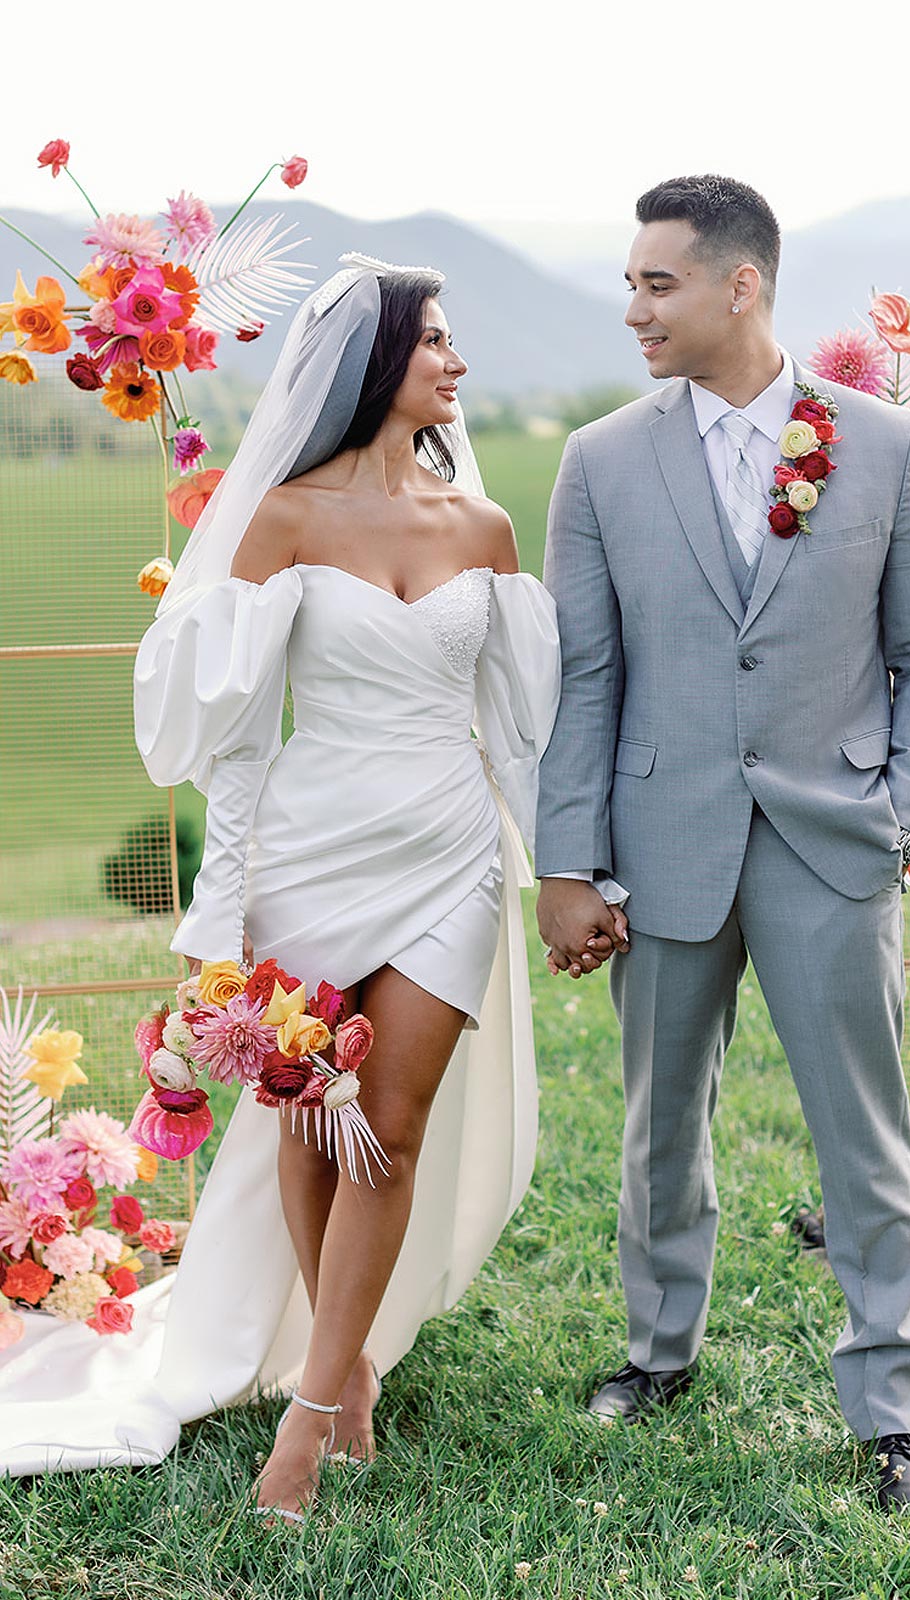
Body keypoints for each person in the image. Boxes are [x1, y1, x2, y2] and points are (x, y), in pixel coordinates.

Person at [0, 259, 562, 1518]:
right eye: (436, 341)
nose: (457, 363)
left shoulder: (484, 530)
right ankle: (342, 1365)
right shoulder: (287, 520)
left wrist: (557, 873)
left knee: (392, 1124)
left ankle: (309, 1415)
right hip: (310, 845)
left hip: (449, 850)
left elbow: (518, 730)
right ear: (374, 365)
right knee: (315, 1114)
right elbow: (244, 743)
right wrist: (217, 915)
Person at [535, 175, 910, 1517]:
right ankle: (654, 1353)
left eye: (655, 283)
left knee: (863, 1133)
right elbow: (586, 678)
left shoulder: (886, 447)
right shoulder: (599, 461)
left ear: (740, 286)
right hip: (659, 846)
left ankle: (891, 1410)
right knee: (658, 1120)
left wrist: (902, 812)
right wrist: (567, 862)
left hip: (832, 845)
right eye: (626, 282)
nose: (632, 309)